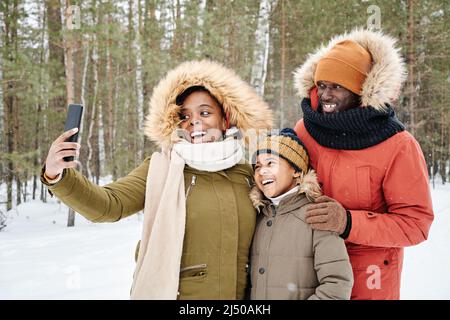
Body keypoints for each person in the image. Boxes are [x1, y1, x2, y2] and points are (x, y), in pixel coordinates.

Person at [41, 60, 273, 299]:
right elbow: (108, 205)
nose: (194, 121)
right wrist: (58, 175)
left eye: (205, 112)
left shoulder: (247, 173)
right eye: (184, 115)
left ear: (226, 120)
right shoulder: (162, 168)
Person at [293, 29, 434, 299]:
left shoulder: (398, 145)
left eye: (337, 86)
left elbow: (415, 224)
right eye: (322, 85)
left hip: (369, 280)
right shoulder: (304, 130)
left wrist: (347, 222)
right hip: (310, 273)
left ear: (360, 89)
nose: (326, 95)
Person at [249, 128, 353, 300]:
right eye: (257, 166)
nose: (261, 171)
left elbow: (337, 284)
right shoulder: (258, 216)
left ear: (296, 170)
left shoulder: (318, 214)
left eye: (270, 163)